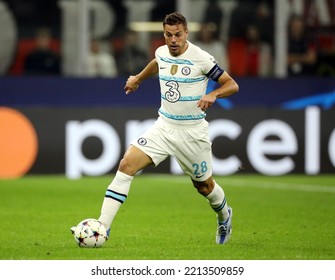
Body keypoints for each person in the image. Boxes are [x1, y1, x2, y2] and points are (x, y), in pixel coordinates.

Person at [73, 12, 239, 245]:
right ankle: (103, 226)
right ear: (164, 34)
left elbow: (232, 84)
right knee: (126, 164)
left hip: (192, 132)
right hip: (164, 126)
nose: (173, 40)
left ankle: (224, 216)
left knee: (204, 186)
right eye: (168, 35)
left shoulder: (201, 58)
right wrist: (138, 78)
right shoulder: (162, 52)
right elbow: (157, 63)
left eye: (178, 35)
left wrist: (213, 94)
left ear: (186, 34)